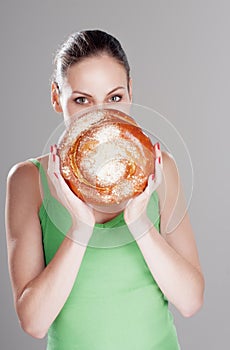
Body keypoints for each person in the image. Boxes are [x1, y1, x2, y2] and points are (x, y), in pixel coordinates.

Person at [5, 29, 204, 350]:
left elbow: (191, 301)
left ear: (130, 91)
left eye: (114, 97)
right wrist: (80, 230)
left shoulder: (160, 166)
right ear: (57, 97)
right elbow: (34, 323)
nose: (101, 116)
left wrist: (139, 223)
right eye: (82, 100)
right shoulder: (29, 179)